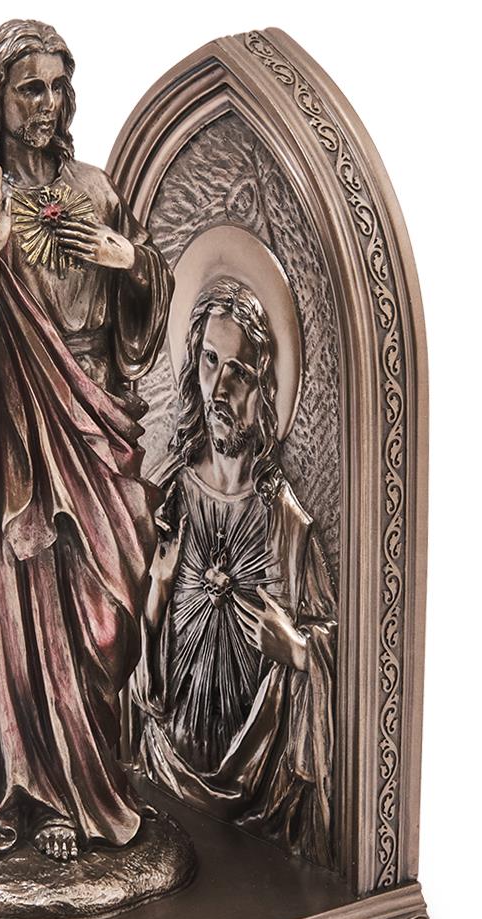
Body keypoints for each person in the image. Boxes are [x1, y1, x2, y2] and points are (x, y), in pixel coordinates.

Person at [0, 20, 172, 862]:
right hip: (2, 441)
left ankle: (94, 781)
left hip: (91, 428)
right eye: (29, 88)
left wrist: (132, 264)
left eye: (57, 86)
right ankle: (23, 788)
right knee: (13, 615)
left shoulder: (97, 189)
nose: (48, 104)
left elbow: (140, 330)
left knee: (103, 617)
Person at [131, 279, 337, 867]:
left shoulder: (286, 526)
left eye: (239, 372)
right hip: (164, 780)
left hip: (261, 798)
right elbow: (129, 679)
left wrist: (299, 650)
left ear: (265, 388)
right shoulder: (168, 498)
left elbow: (349, 655)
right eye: (209, 361)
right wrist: (156, 596)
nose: (218, 388)